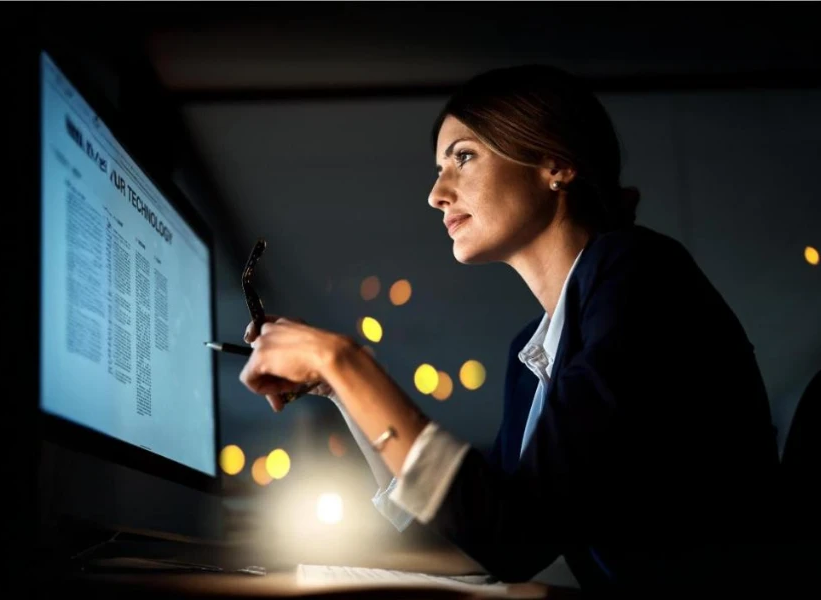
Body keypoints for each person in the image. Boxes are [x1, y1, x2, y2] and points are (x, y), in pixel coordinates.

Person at [240, 65, 779, 592]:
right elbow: (477, 525)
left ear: (556, 164)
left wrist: (344, 361)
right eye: (438, 169)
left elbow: (511, 539)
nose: (436, 194)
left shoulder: (640, 274)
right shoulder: (532, 349)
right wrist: (341, 387)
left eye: (464, 157)